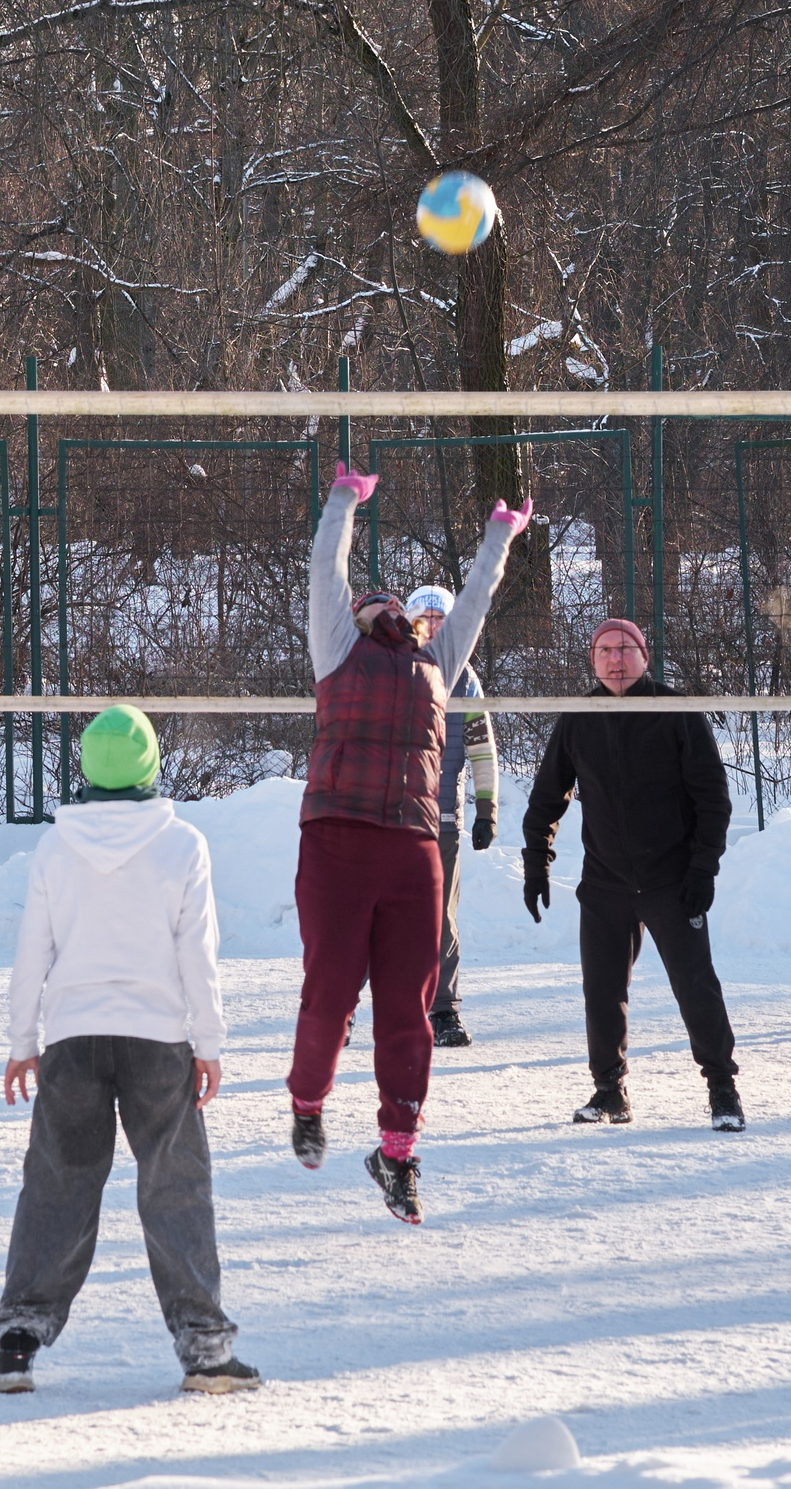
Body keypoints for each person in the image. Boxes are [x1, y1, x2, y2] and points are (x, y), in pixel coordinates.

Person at [0, 705, 257, 1398]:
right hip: (159, 1039)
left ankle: (17, 1339)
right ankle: (204, 1347)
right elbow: (199, 954)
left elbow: (31, 953)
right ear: (150, 765)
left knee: (57, 1185)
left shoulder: (56, 846)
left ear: (86, 770)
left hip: (73, 1038)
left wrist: (23, 1040)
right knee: (176, 1187)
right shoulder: (182, 844)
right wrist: (209, 1040)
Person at [286, 462, 526, 1227]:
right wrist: (343, 499)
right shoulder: (336, 649)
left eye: (403, 603)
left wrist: (500, 534)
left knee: (409, 1011)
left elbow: (480, 598)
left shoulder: (438, 663)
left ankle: (397, 1153)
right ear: (359, 613)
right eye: (377, 598)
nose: (393, 605)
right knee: (329, 994)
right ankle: (308, 1100)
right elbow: (326, 567)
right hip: (335, 840)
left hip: (413, 846)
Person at [521, 618, 744, 1132]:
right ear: (592, 660)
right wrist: (537, 863)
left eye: (625, 649)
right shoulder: (578, 717)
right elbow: (547, 798)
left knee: (695, 986)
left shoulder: (675, 711)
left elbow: (713, 800)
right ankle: (609, 1092)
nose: (615, 659)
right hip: (605, 884)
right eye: (604, 650)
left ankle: (722, 1090)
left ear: (645, 656)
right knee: (601, 991)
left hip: (672, 881)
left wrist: (702, 869)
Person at [403, 584, 498, 1050]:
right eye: (426, 617)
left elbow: (482, 751)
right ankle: (345, 1010)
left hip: (441, 821)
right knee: (370, 913)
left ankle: (444, 1010)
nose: (435, 627)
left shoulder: (467, 682)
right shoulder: (391, 669)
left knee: (441, 918)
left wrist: (486, 808)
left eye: (444, 619)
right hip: (390, 818)